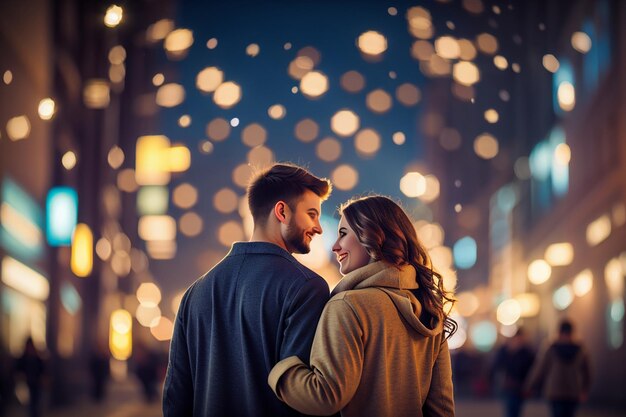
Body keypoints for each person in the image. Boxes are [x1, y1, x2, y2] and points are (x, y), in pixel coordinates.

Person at [163, 163, 333, 417]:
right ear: (282, 212)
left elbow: (176, 399)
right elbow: (304, 398)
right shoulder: (307, 288)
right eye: (311, 214)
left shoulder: (195, 293)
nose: (318, 227)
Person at [268, 195, 457, 417]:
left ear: (372, 236)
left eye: (343, 234)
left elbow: (325, 396)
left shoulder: (347, 306)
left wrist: (281, 369)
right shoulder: (429, 311)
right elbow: (442, 409)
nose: (335, 246)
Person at [525, 319, 591, 417]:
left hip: (555, 391)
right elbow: (588, 372)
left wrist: (530, 385)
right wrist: (584, 390)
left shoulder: (551, 348)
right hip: (573, 391)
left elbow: (540, 369)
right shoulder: (580, 349)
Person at [490, 327, 535, 417]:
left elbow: (532, 367)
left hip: (521, 385)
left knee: (517, 409)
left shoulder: (526, 352)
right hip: (509, 384)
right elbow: (498, 364)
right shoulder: (506, 350)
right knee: (510, 409)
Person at [15, 337, 46, 417]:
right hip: (27, 384)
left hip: (36, 383)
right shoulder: (23, 358)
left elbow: (42, 369)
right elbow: (18, 369)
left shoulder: (37, 358)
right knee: (29, 404)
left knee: (36, 402)